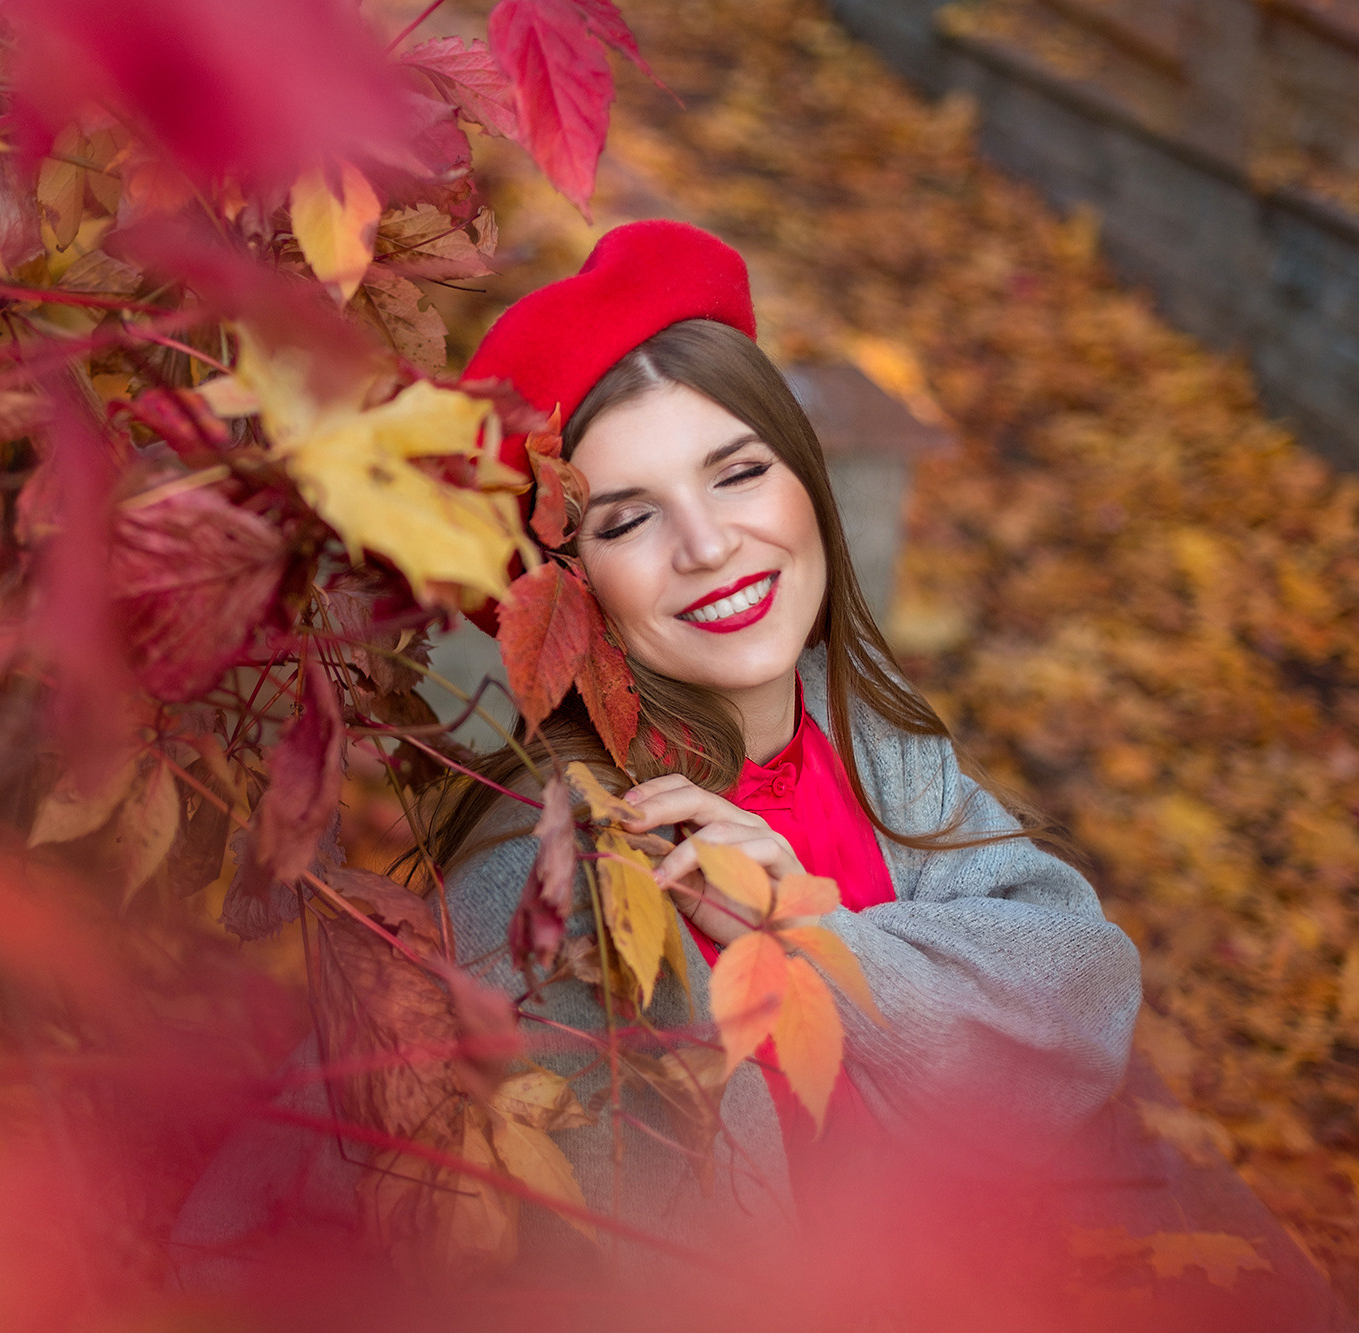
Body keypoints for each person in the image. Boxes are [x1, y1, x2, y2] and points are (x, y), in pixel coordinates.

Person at [427, 219, 1142, 1244]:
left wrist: (809, 941)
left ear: (804, 474)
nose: (711, 544)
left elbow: (1081, 1007)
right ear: (563, 592)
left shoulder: (865, 730)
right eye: (626, 521)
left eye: (736, 471)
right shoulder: (556, 879)